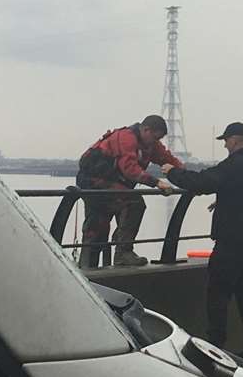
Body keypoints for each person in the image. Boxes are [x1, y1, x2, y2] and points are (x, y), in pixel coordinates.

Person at [167, 122, 243, 362]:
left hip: (231, 240)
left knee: (218, 293)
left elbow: (202, 182)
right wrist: (224, 200)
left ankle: (214, 347)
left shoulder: (235, 164)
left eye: (226, 140)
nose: (225, 144)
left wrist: (171, 172)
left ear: (235, 140)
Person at [75, 114, 183, 268]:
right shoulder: (126, 138)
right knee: (130, 205)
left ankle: (116, 252)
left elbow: (167, 159)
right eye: (155, 137)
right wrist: (157, 182)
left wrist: (185, 175)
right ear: (146, 130)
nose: (156, 142)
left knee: (110, 218)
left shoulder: (151, 144)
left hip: (113, 185)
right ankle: (111, 257)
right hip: (94, 183)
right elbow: (130, 169)